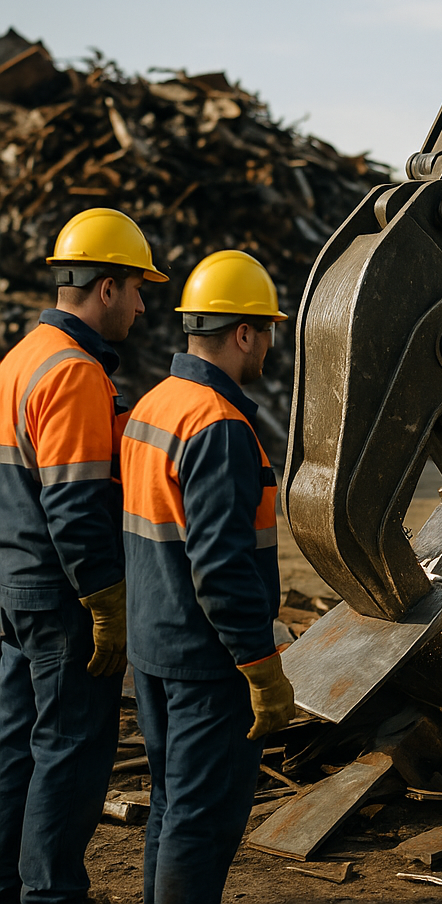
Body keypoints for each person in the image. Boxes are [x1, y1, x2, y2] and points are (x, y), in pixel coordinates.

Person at [0, 208, 168, 904]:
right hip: (63, 597)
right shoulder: (71, 373)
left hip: (14, 587)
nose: (141, 302)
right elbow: (73, 507)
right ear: (105, 287)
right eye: (136, 288)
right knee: (70, 752)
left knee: (15, 747)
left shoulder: (20, 358)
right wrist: (106, 604)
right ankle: (52, 893)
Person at [120, 249, 295, 904]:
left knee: (171, 808)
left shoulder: (154, 404)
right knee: (202, 821)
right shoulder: (220, 425)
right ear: (244, 332)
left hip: (154, 650)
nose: (269, 348)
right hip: (208, 663)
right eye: (268, 331)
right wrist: (261, 664)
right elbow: (221, 565)